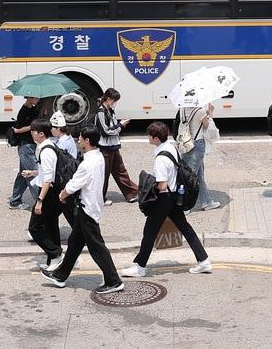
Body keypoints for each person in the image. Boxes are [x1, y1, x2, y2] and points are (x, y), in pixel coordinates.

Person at [122, 122, 212, 278]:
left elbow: (162, 185)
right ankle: (203, 261)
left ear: (156, 138)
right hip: (175, 195)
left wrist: (151, 188)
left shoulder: (161, 159)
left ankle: (139, 267)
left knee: (149, 232)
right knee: (185, 228)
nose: (148, 137)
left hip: (164, 199)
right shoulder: (171, 147)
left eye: (150, 136)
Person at [46, 128, 124, 294]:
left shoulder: (87, 164)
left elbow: (73, 185)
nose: (78, 140)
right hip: (91, 206)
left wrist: (62, 195)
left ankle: (114, 281)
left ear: (87, 141)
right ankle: (60, 275)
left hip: (87, 208)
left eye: (80, 138)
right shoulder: (99, 157)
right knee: (75, 243)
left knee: (97, 247)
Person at [28, 118, 67, 273]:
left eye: (33, 132)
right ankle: (54, 259)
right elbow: (46, 172)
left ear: (41, 134)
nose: (31, 134)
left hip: (48, 193)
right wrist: (33, 173)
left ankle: (56, 253)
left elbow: (48, 179)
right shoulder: (46, 146)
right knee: (51, 225)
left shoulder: (46, 151)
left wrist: (39, 200)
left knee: (34, 228)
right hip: (50, 192)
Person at [94, 88, 137, 205]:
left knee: (120, 171)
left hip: (113, 146)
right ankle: (100, 198)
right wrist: (121, 125)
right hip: (105, 148)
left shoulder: (109, 110)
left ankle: (132, 194)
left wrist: (119, 125)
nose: (115, 103)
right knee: (104, 174)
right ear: (108, 99)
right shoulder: (101, 112)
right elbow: (106, 131)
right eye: (114, 100)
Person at [176, 99, 219, 211]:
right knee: (190, 178)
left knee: (198, 175)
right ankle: (184, 206)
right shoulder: (200, 111)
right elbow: (208, 127)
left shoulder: (182, 109)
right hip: (197, 145)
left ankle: (206, 202)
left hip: (186, 144)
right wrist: (210, 113)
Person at [8, 95, 41, 209]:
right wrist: (32, 126)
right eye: (36, 98)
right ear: (30, 98)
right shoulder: (23, 111)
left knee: (23, 174)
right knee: (32, 174)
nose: (38, 100)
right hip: (25, 145)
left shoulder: (34, 109)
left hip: (31, 144)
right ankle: (40, 202)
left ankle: (15, 200)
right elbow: (17, 130)